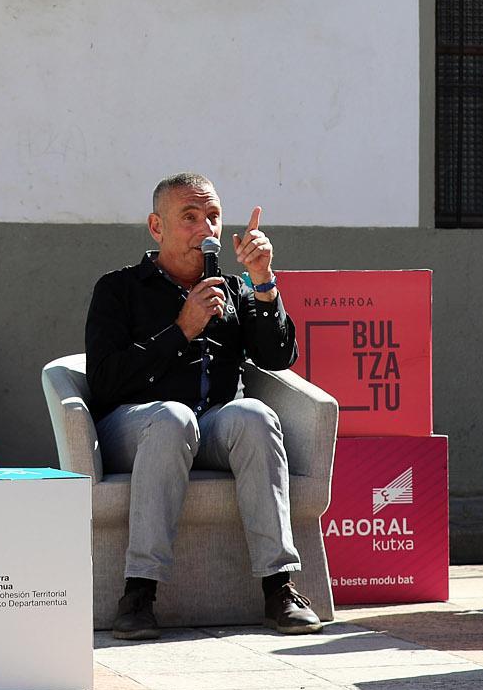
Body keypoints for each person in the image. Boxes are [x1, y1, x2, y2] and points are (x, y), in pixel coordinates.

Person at [85, 172, 323, 639]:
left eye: (212, 216)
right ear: (157, 227)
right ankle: (138, 593)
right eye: (189, 217)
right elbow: (107, 381)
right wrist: (181, 329)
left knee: (254, 415)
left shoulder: (233, 290)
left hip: (211, 426)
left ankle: (279, 589)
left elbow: (278, 358)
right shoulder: (118, 288)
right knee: (172, 417)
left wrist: (263, 282)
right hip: (135, 426)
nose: (205, 228)